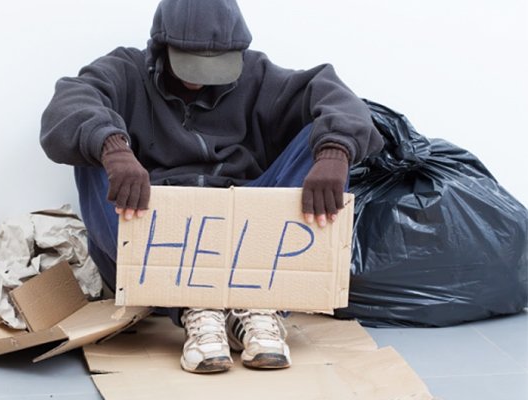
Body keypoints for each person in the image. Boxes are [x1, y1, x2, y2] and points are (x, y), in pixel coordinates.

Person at [40, 0, 383, 374]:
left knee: (325, 140)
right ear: (161, 46)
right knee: (90, 142)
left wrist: (334, 151)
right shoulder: (125, 70)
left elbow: (336, 95)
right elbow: (68, 104)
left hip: (244, 237)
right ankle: (192, 306)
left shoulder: (259, 76)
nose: (200, 78)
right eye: (190, 63)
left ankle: (256, 306)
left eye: (214, 64)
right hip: (154, 234)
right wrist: (114, 148)